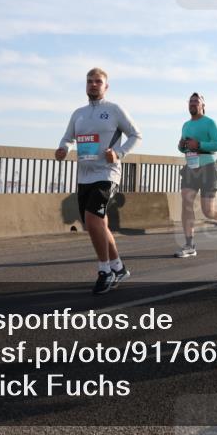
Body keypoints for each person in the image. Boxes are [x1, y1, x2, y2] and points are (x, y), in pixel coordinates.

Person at [56, 68, 142, 295]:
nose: (93, 85)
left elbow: (136, 135)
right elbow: (67, 138)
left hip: (107, 174)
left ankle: (105, 271)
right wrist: (63, 148)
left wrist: (119, 153)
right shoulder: (78, 113)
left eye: (98, 81)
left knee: (93, 219)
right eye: (89, 81)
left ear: (106, 86)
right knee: (97, 224)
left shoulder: (114, 110)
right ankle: (119, 267)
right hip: (84, 175)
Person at [176, 93, 217, 257]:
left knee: (208, 211)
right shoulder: (185, 125)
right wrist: (182, 146)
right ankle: (189, 245)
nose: (193, 103)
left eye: (196, 101)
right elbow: (184, 147)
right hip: (191, 166)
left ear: (203, 105)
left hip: (208, 167)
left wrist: (199, 144)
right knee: (186, 202)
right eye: (190, 101)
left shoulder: (209, 123)